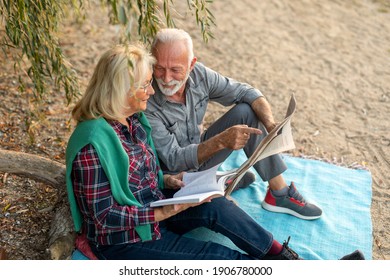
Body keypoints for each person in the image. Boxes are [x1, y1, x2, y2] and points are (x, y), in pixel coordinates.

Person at [65, 43, 364, 261]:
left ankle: (289, 261)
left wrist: (170, 183)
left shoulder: (132, 119)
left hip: (153, 207)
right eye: (145, 86)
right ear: (121, 90)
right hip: (124, 240)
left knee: (219, 207)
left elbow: (146, 175)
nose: (153, 90)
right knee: (214, 257)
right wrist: (165, 210)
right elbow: (104, 219)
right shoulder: (93, 144)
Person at [145, 28, 322, 220]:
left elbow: (247, 92)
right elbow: (173, 159)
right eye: (160, 68)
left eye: (175, 70)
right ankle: (220, 181)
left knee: (246, 111)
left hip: (199, 153)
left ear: (191, 65)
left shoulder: (200, 75)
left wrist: (270, 125)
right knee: (220, 211)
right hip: (175, 178)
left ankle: (278, 193)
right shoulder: (147, 97)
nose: (166, 78)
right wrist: (221, 142)